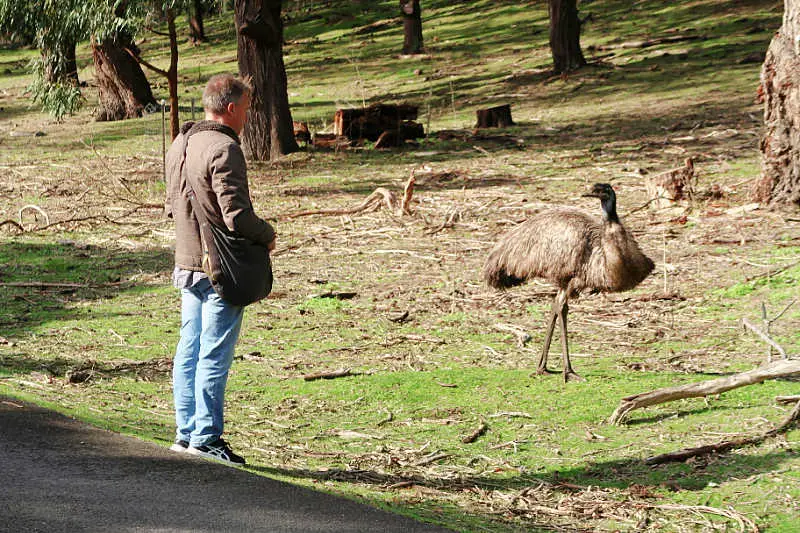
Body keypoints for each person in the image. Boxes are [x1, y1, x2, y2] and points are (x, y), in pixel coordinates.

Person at [164, 74, 276, 466]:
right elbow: (237, 216)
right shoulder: (224, 148)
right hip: (218, 267)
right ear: (231, 108)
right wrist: (267, 234)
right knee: (213, 354)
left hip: (186, 262)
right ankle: (206, 437)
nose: (247, 115)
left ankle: (185, 432)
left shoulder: (182, 141)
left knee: (189, 349)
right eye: (246, 107)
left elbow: (172, 204)